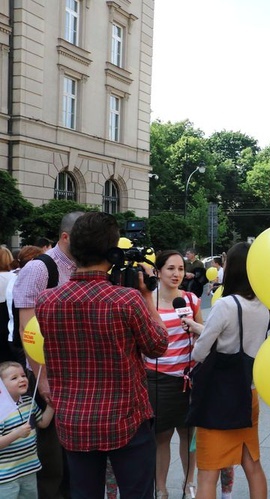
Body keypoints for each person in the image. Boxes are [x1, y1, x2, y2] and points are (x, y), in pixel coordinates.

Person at [35, 211, 168, 497]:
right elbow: (158, 345)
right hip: (126, 420)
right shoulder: (126, 300)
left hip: (73, 421)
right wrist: (147, 297)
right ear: (112, 252)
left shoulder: (47, 302)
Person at [182, 242, 269, 499]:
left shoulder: (226, 304)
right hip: (247, 393)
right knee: (252, 464)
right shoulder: (264, 305)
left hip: (218, 397)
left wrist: (200, 335)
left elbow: (200, 352)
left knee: (208, 471)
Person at [13, 210, 82, 499]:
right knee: (51, 461)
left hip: (76, 373)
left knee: (74, 461)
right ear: (65, 237)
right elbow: (28, 330)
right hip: (47, 373)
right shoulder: (40, 269)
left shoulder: (84, 266)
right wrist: (43, 383)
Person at [146, 250, 203, 499]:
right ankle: (160, 487)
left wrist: (196, 329)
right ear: (158, 272)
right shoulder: (147, 301)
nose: (176, 274)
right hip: (158, 379)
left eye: (180, 268)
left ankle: (189, 482)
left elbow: (204, 336)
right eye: (170, 268)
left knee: (188, 435)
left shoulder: (190, 300)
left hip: (188, 377)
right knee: (162, 437)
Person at [0, 361, 55, 498]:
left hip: (29, 469)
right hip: (6, 476)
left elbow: (42, 423)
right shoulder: (1, 411)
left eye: (23, 375)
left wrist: (52, 406)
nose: (22, 379)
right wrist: (17, 433)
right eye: (14, 378)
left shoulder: (29, 402)